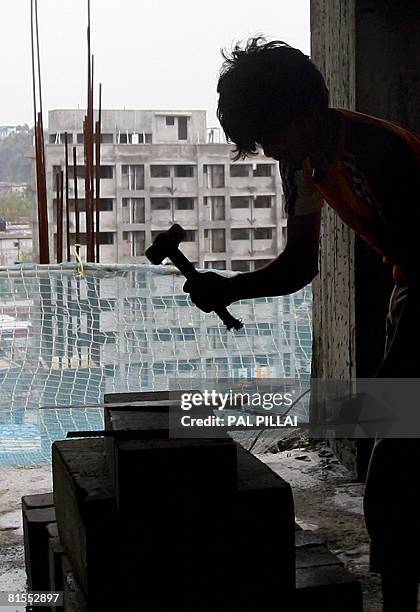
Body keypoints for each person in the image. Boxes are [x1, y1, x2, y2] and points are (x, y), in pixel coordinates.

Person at [182, 36, 420, 611]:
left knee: (393, 475)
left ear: (308, 112)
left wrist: (393, 385)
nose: (272, 153)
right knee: (400, 459)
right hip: (410, 286)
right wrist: (230, 285)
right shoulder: (305, 164)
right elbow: (298, 266)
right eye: (261, 144)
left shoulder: (380, 153)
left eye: (273, 136)